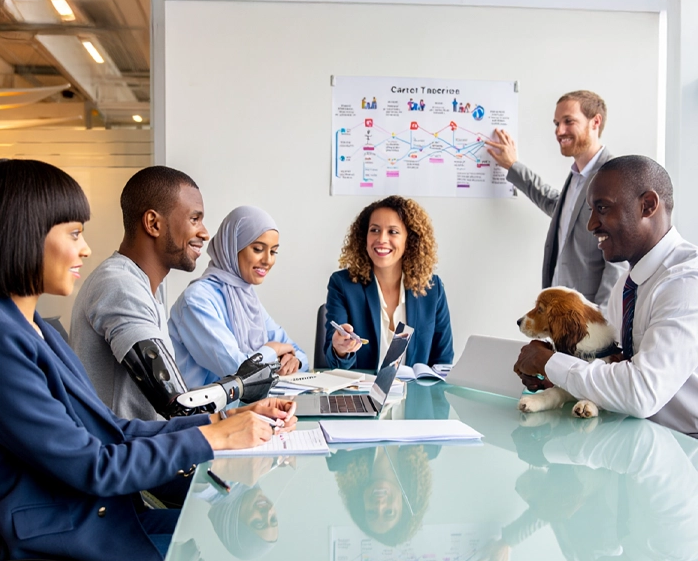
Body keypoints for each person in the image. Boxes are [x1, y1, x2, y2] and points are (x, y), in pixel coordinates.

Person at [0, 160, 296, 561]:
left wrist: (225, 418)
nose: (85, 248)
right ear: (22, 233)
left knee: (226, 539)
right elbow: (98, 460)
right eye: (74, 233)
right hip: (63, 526)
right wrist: (214, 433)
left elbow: (111, 429)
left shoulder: (33, 327)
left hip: (95, 506)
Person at [515, 155, 698, 438]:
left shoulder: (687, 282)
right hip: (643, 440)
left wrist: (550, 363)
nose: (590, 225)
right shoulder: (627, 285)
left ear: (647, 205)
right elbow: (608, 366)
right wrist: (552, 370)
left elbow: (642, 391)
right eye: (590, 210)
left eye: (602, 208)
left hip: (687, 451)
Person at [71, 165, 212, 421]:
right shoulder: (121, 285)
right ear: (153, 224)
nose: (204, 233)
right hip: (127, 454)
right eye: (195, 219)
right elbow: (177, 404)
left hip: (147, 449)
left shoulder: (143, 286)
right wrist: (242, 390)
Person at [484, 90, 622, 309]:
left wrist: (600, 321)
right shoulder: (577, 176)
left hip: (586, 320)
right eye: (556, 123)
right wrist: (513, 166)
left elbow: (618, 260)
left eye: (569, 121)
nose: (559, 131)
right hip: (560, 313)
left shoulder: (613, 176)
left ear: (595, 121)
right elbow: (554, 205)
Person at [169, 205, 307, 388]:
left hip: (243, 409)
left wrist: (293, 359)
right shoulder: (197, 300)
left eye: (273, 252)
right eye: (258, 249)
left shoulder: (246, 297)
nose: (268, 260)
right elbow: (238, 371)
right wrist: (274, 350)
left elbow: (299, 354)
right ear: (232, 248)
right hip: (205, 414)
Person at [325, 195, 453, 371]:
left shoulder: (432, 288)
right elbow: (335, 363)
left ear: (410, 239)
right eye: (374, 230)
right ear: (364, 236)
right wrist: (340, 350)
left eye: (393, 231)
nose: (381, 239)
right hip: (360, 394)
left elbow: (443, 361)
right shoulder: (343, 284)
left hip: (414, 396)